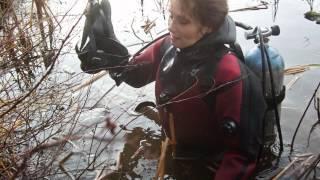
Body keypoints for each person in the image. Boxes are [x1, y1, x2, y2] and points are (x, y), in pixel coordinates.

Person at [77, 0, 267, 179]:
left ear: (209, 26)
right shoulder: (169, 45)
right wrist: (108, 49)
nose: (171, 26)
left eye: (183, 21)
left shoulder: (229, 75)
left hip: (211, 166)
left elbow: (242, 157)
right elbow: (135, 75)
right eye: (171, 15)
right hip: (178, 149)